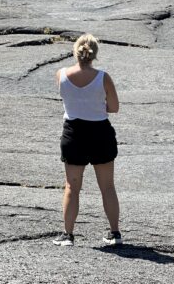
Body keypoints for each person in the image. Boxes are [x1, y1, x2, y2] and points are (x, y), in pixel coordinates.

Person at [53, 34, 121, 247]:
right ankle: (115, 233)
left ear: (75, 52)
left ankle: (68, 235)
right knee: (107, 186)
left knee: (72, 187)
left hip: (73, 133)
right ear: (95, 54)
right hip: (100, 132)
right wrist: (98, 107)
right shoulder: (103, 77)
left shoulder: (61, 74)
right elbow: (114, 107)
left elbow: (67, 98)